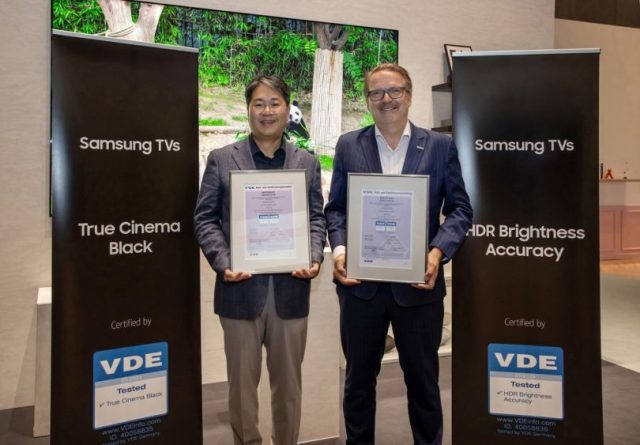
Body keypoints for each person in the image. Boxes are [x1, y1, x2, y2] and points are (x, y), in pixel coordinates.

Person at [325, 63, 472, 445]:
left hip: (418, 287)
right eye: (376, 92)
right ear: (367, 100)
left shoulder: (439, 146)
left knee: (424, 385)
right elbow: (336, 209)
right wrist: (340, 250)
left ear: (409, 95)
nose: (386, 99)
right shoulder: (348, 145)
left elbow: (460, 209)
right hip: (361, 287)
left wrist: (437, 252)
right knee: (358, 385)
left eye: (394, 91)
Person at [194, 75, 326, 445]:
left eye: (274, 103)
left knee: (289, 388)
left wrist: (314, 257)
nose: (267, 111)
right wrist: (224, 262)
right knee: (240, 389)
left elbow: (316, 219)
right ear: (248, 109)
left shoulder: (307, 162)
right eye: (259, 103)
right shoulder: (222, 159)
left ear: (288, 108)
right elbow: (204, 219)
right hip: (240, 291)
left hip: (291, 290)